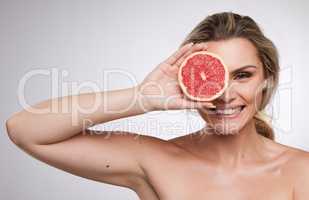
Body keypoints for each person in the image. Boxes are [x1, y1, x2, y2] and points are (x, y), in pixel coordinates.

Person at [5, 12, 309, 200]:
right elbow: (25, 129)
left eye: (242, 75)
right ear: (187, 79)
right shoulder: (156, 160)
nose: (225, 94)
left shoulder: (301, 171)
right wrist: (143, 96)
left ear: (267, 79)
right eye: (211, 77)